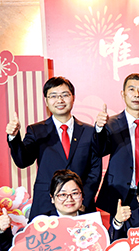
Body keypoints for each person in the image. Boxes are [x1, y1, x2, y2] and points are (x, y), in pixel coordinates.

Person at [6, 76, 102, 219]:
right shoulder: (36, 131)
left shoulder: (89, 131)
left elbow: (95, 170)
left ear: (73, 97)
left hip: (80, 205)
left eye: (65, 95)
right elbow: (22, 161)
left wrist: (83, 199)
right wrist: (14, 138)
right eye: (53, 96)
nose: (60, 100)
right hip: (45, 204)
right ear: (46, 101)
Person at [93, 74, 139, 215]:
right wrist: (99, 129)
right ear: (123, 94)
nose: (136, 94)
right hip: (120, 194)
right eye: (131, 89)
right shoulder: (110, 124)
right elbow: (99, 150)